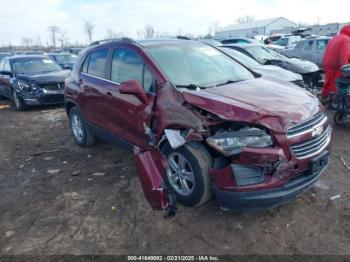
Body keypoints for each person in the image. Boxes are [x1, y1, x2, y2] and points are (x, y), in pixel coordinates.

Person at [321, 25, 350, 104]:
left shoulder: (336, 37)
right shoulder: (346, 40)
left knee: (328, 81)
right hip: (336, 66)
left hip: (327, 63)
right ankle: (334, 102)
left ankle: (324, 98)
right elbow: (343, 56)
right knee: (335, 85)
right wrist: (345, 70)